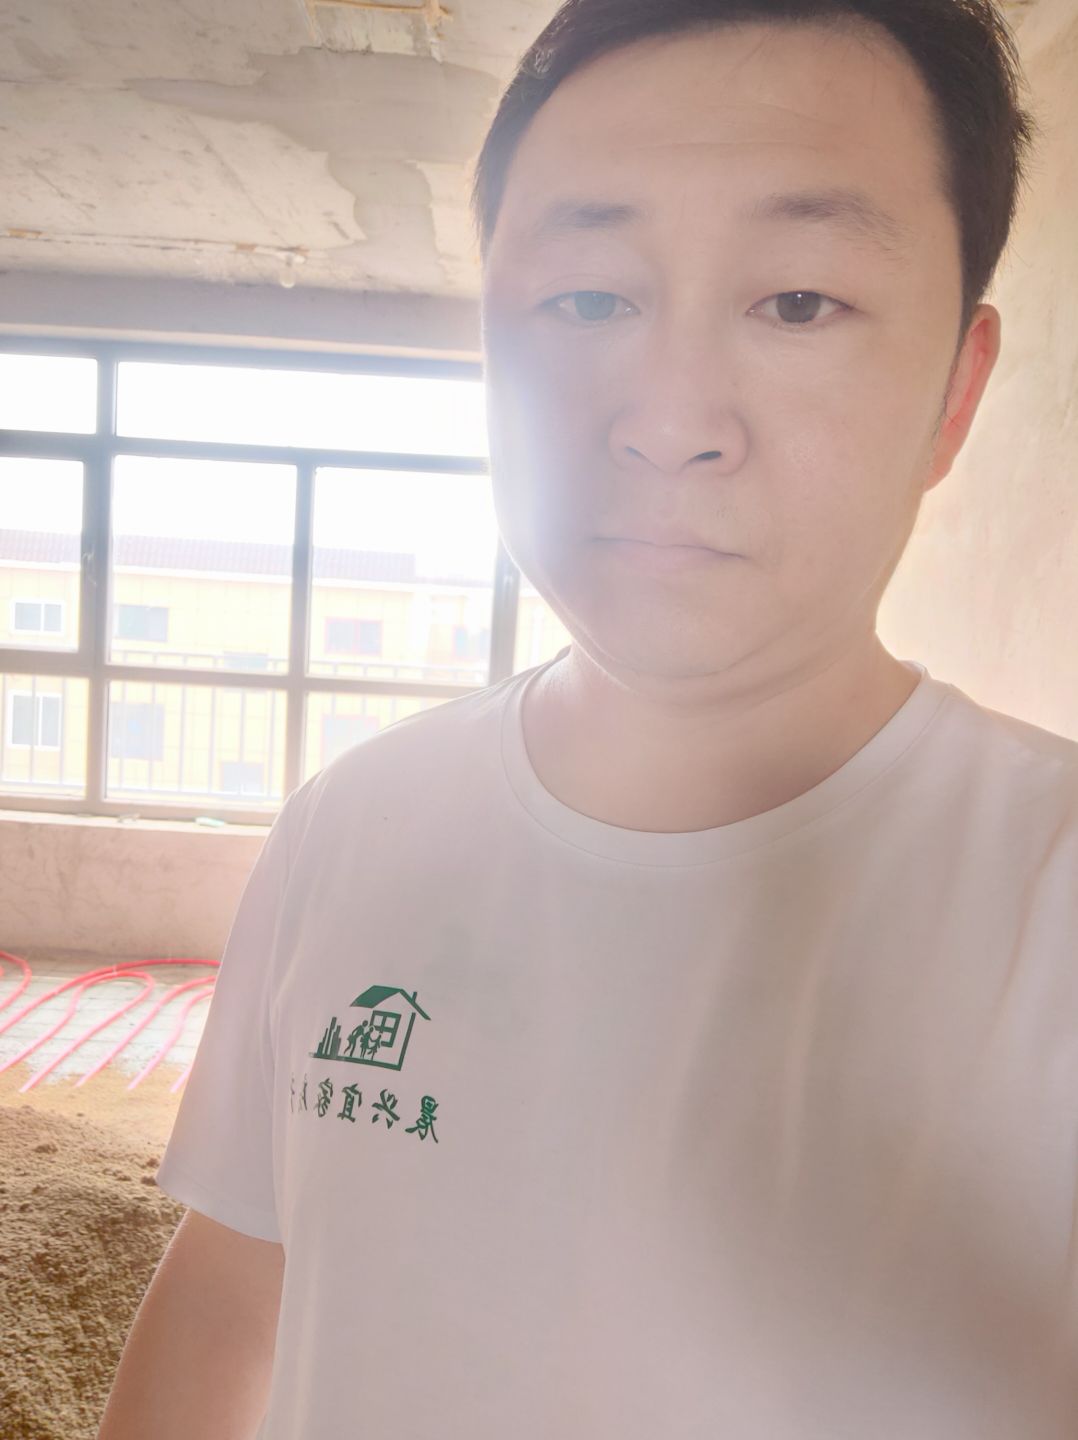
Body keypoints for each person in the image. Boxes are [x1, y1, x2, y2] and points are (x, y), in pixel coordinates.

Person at [98, 1, 1078, 1436]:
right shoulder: (352, 821)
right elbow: (237, 1291)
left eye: (799, 301)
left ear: (953, 393)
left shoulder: (1048, 888)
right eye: (587, 299)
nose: (669, 418)